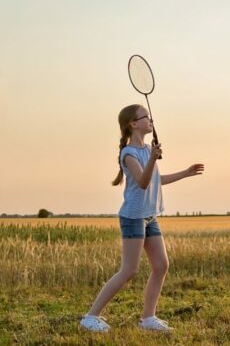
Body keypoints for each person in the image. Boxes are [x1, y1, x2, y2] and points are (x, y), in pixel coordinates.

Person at [80, 104, 205, 333]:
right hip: (133, 217)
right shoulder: (128, 154)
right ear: (133, 124)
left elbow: (157, 180)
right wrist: (153, 159)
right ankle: (90, 316)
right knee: (129, 270)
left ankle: (148, 319)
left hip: (149, 216)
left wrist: (185, 173)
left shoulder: (148, 150)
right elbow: (143, 181)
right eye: (145, 116)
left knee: (161, 265)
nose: (151, 119)